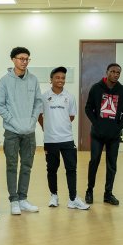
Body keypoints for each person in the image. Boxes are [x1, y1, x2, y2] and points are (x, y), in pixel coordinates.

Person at [0, 46, 42, 215]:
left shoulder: (33, 80)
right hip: (12, 132)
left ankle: (23, 199)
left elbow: (38, 102)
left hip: (29, 131)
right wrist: (13, 121)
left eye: (27, 59)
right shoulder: (4, 81)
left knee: (27, 166)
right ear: (13, 60)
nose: (24, 62)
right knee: (12, 166)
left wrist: (32, 120)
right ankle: (13, 200)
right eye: (21, 58)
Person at [39, 67, 89, 210]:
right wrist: (47, 128)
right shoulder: (43, 97)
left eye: (63, 78)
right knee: (51, 169)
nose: (60, 80)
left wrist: (61, 126)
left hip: (67, 139)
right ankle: (53, 196)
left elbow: (71, 116)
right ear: (51, 79)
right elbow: (39, 116)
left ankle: (73, 199)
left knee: (71, 169)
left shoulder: (70, 97)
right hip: (50, 140)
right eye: (57, 77)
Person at [84, 63, 123, 206]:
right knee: (94, 161)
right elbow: (88, 108)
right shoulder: (96, 88)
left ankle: (108, 194)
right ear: (107, 72)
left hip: (114, 135)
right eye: (113, 71)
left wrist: (119, 126)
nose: (115, 74)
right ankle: (89, 190)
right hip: (97, 134)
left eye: (118, 72)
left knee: (112, 165)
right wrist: (96, 123)